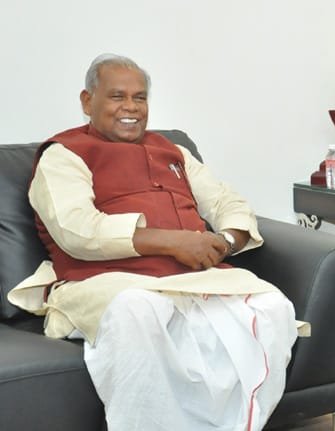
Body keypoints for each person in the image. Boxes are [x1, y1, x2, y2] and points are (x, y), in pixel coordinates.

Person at [8, 54, 298, 430]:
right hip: (105, 281)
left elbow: (228, 201)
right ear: (87, 101)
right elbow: (76, 229)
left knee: (273, 306)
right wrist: (173, 242)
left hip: (193, 279)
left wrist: (224, 242)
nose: (130, 107)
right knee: (138, 309)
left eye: (139, 98)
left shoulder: (173, 151)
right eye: (116, 96)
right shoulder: (63, 155)